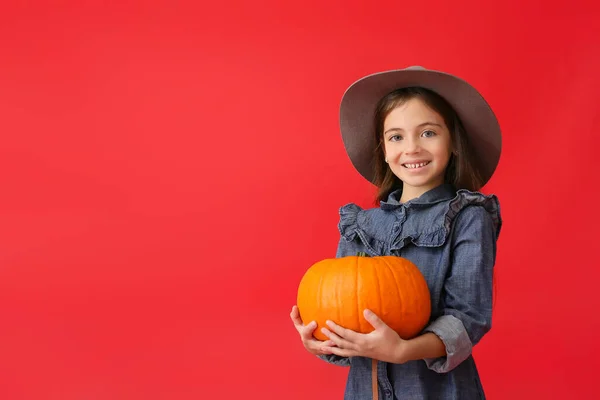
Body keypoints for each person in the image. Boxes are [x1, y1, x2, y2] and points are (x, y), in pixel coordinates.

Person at [290, 66, 503, 399]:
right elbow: (343, 312)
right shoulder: (359, 226)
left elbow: (468, 317)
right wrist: (322, 338)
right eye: (397, 136)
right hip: (366, 391)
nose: (412, 147)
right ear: (384, 150)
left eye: (428, 133)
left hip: (437, 391)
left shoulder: (468, 217)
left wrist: (403, 350)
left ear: (454, 142)